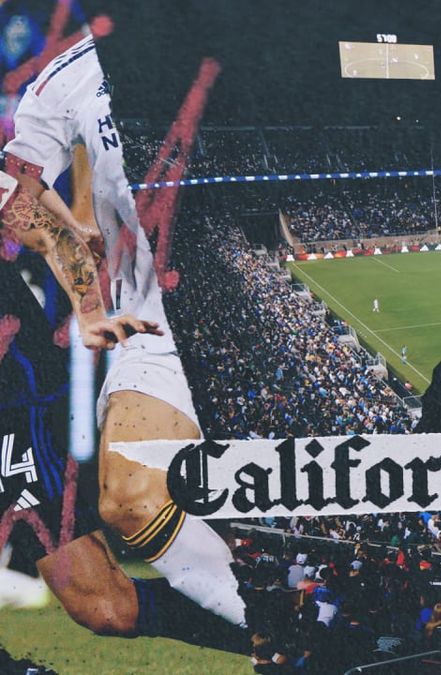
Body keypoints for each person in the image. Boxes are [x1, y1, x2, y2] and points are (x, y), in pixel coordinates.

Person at [3, 36, 247, 629]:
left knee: (109, 587)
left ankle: (285, 625)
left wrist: (88, 306)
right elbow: (18, 200)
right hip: (152, 323)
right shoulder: (66, 77)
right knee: (123, 525)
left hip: (225, 297)